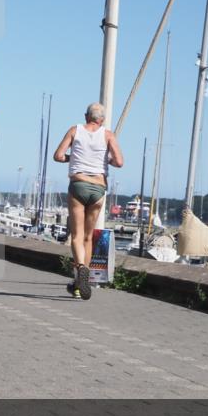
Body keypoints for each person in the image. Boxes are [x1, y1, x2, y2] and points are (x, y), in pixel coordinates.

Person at [53, 103, 123, 300]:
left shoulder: (75, 130)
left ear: (86, 116)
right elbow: (119, 162)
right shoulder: (108, 135)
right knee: (88, 236)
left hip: (79, 184)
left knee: (76, 235)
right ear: (101, 120)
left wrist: (72, 158)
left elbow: (57, 156)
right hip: (98, 188)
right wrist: (106, 160)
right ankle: (80, 283)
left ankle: (81, 270)